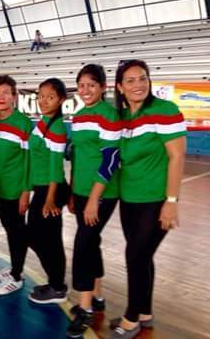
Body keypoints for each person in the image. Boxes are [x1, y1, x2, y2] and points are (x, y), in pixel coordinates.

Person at [109, 60, 186, 339]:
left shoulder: (164, 111)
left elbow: (177, 156)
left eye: (142, 78)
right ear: (119, 87)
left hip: (155, 199)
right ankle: (144, 312)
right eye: (130, 80)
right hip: (129, 199)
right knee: (142, 256)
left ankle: (131, 318)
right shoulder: (125, 117)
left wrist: (172, 200)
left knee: (135, 256)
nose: (138, 84)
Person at [66, 64, 121, 339]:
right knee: (91, 242)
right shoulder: (78, 116)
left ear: (102, 87)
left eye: (91, 84)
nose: (85, 90)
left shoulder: (109, 114)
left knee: (83, 244)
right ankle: (97, 297)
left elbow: (110, 159)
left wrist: (93, 200)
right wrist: (75, 193)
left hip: (102, 194)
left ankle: (85, 309)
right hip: (82, 192)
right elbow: (78, 155)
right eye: (81, 85)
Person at [0, 75, 32, 295]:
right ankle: (14, 267)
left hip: (15, 190)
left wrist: (25, 191)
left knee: (16, 232)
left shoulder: (23, 124)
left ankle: (17, 276)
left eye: (6, 92)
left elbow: (29, 161)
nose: (2, 97)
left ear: (14, 96)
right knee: (9, 229)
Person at [27, 78, 69, 304]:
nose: (43, 101)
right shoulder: (44, 121)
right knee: (40, 237)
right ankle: (55, 282)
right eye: (40, 96)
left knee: (47, 239)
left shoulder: (57, 127)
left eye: (49, 97)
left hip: (51, 191)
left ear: (61, 99)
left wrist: (50, 199)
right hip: (42, 189)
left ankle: (58, 287)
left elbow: (55, 166)